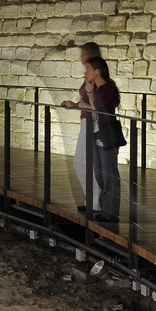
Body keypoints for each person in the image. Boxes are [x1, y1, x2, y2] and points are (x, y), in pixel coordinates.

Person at [60, 42, 103, 215]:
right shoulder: (89, 74)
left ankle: (95, 203)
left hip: (91, 123)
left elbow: (95, 105)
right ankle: (91, 201)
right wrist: (76, 104)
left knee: (84, 162)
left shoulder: (95, 75)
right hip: (86, 120)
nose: (81, 57)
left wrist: (81, 104)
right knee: (82, 162)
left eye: (83, 53)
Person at [84, 56, 122, 222]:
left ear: (97, 70)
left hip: (107, 136)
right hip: (97, 135)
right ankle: (105, 210)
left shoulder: (107, 88)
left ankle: (111, 214)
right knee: (100, 175)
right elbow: (94, 110)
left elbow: (97, 107)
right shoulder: (98, 90)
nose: (86, 72)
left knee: (109, 176)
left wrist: (90, 92)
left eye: (88, 68)